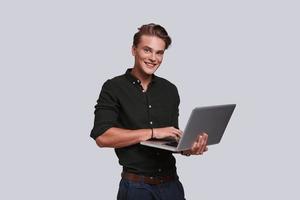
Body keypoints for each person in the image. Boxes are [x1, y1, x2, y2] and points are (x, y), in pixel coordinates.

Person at [90, 23, 208, 200]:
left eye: (159, 52)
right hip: (136, 188)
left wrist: (188, 148)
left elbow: (169, 139)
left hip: (171, 187)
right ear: (133, 50)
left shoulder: (170, 90)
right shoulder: (113, 88)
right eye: (147, 50)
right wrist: (152, 132)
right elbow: (102, 137)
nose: (153, 58)